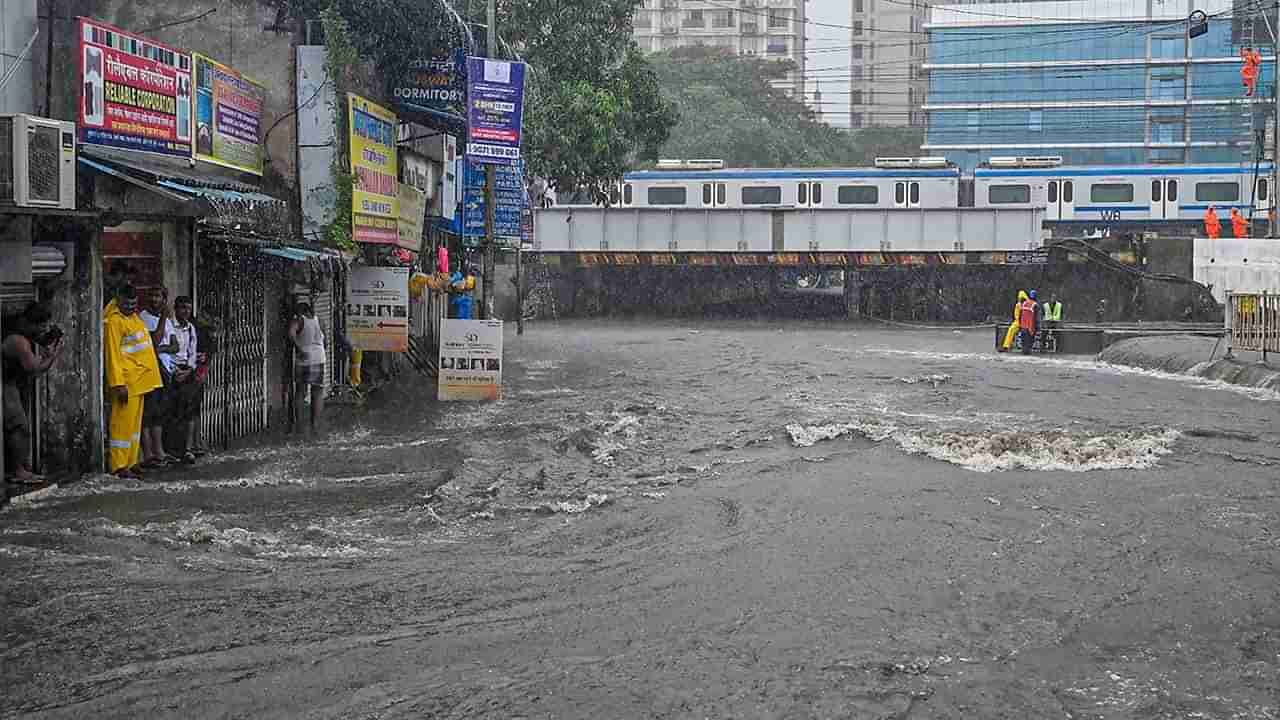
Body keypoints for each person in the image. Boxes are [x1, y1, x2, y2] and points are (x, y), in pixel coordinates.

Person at [104, 285, 163, 479]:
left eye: (134, 304)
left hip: (141, 380)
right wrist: (118, 384)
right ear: (118, 299)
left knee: (134, 427)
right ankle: (119, 466)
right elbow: (112, 355)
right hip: (127, 382)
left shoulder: (134, 317)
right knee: (121, 425)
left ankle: (131, 461)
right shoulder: (114, 322)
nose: (130, 307)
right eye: (127, 303)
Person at [2, 303, 64, 484]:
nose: (42, 331)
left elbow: (40, 340)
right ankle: (18, 471)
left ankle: (22, 466)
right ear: (29, 323)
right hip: (5, 384)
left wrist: (50, 339)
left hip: (13, 382)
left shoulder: (23, 329)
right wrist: (52, 355)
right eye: (40, 326)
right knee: (19, 426)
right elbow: (34, 368)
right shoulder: (18, 341)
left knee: (19, 426)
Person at [162, 296, 205, 464]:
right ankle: (172, 450)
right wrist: (175, 371)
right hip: (171, 371)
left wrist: (189, 369)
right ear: (175, 308)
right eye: (182, 308)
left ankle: (186, 450)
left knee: (188, 411)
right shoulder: (169, 325)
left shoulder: (191, 328)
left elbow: (192, 351)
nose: (186, 311)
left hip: (187, 372)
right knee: (172, 412)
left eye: (188, 308)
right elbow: (165, 350)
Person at [138, 288, 176, 469]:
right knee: (148, 414)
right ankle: (148, 453)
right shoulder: (143, 318)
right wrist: (162, 319)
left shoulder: (167, 319)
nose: (154, 299)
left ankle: (159, 451)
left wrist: (163, 349)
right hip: (149, 370)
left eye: (158, 296)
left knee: (159, 414)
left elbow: (174, 345)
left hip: (165, 370)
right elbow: (154, 341)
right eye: (152, 295)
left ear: (164, 299)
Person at [289, 301, 326, 438]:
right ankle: (315, 424)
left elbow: (291, 334)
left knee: (300, 391)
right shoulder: (320, 320)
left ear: (300, 311)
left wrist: (299, 349)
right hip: (319, 358)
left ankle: (299, 423)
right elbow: (325, 340)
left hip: (304, 358)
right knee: (317, 391)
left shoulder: (299, 319)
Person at [1018, 290, 1039, 355]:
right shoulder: (1035, 305)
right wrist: (1037, 327)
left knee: (1024, 344)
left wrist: (1020, 325)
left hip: (1023, 326)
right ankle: (1028, 352)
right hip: (1030, 327)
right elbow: (1036, 318)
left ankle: (1024, 352)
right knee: (1029, 344)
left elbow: (1020, 315)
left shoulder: (1024, 303)